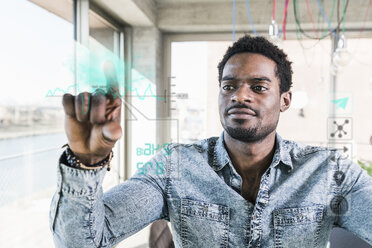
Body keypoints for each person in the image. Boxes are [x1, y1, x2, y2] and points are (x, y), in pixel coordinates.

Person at [49, 35, 372, 248]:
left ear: (285, 100)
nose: (240, 96)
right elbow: (82, 241)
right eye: (229, 86)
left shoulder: (331, 171)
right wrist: (85, 163)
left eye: (258, 87)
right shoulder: (174, 166)